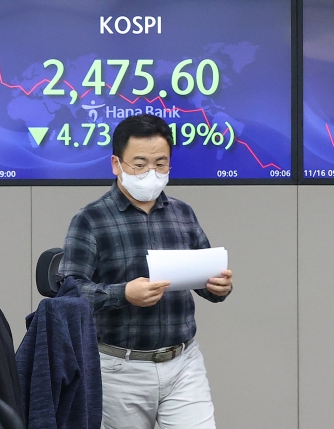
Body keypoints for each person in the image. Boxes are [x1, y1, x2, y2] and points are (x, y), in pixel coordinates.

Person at [59, 114, 233, 429]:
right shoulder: (90, 219)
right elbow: (69, 293)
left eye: (161, 164)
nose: (150, 173)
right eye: (139, 164)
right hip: (118, 369)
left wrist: (219, 286)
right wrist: (122, 293)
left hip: (183, 363)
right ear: (116, 164)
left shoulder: (182, 214)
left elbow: (207, 280)